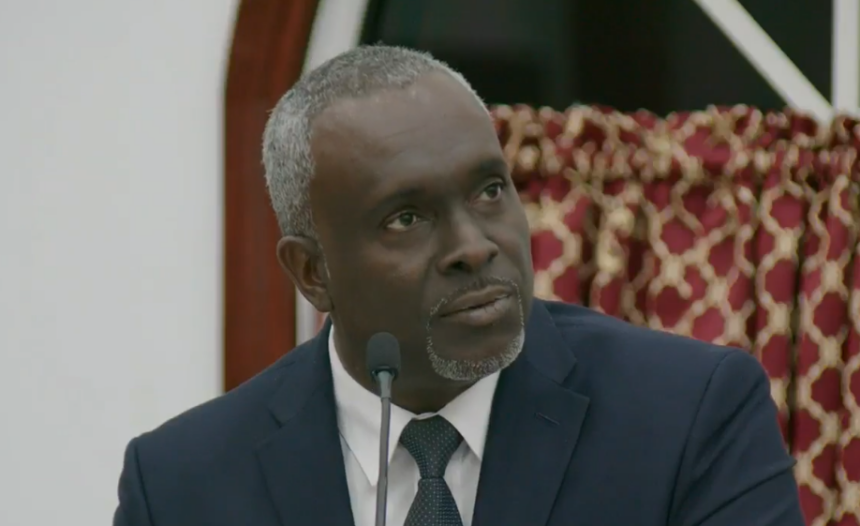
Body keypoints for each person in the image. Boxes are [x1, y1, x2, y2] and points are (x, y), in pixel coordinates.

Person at [113, 45, 803, 526]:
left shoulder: (688, 417)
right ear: (313, 273)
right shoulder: (180, 486)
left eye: (489, 190)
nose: (474, 247)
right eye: (406, 218)